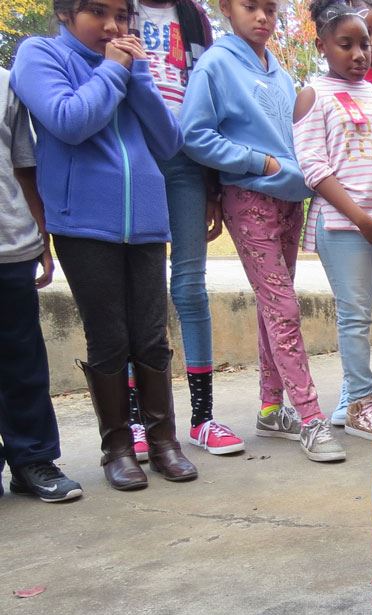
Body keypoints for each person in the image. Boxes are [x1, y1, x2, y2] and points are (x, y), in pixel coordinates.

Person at [13, 0, 198, 491]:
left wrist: (137, 76)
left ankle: (164, 442)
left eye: (123, 16)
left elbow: (168, 141)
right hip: (83, 223)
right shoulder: (40, 55)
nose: (115, 27)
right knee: (110, 336)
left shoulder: (128, 65)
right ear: (65, 13)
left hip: (146, 221)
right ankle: (117, 448)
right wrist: (114, 71)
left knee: (151, 335)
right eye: (99, 13)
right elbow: (69, 120)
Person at [181, 0, 345, 463]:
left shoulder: (277, 69)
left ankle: (272, 409)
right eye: (250, 6)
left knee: (274, 306)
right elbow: (194, 134)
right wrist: (260, 163)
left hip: (290, 198)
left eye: (271, 9)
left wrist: (294, 172)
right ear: (224, 9)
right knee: (283, 307)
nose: (263, 18)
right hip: (249, 197)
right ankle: (311, 418)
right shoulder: (215, 64)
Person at [294, 0, 372, 443]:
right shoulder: (313, 94)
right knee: (355, 317)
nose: (360, 54)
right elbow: (314, 168)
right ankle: (361, 404)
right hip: (345, 228)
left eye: (364, 44)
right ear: (323, 45)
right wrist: (362, 219)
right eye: (347, 45)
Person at [132, 0, 244, 457]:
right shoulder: (121, 9)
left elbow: (211, 104)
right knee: (140, 292)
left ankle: (202, 418)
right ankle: (137, 419)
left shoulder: (193, 16)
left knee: (190, 288)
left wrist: (213, 186)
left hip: (186, 161)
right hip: (134, 154)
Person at [0, 65, 83, 503]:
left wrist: (39, 233)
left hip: (8, 242)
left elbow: (23, 165)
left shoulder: (5, 83)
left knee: (20, 361)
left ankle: (31, 458)